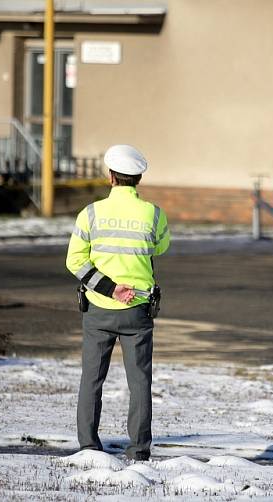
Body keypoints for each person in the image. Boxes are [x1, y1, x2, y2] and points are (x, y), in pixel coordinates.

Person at [66, 144, 170, 461]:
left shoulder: (91, 213)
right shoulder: (154, 214)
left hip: (98, 310)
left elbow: (75, 262)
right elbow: (161, 247)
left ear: (111, 176)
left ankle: (88, 445)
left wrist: (110, 288)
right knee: (139, 383)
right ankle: (138, 449)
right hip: (138, 312)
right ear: (138, 178)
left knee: (91, 379)